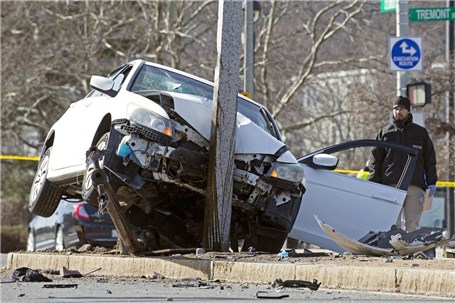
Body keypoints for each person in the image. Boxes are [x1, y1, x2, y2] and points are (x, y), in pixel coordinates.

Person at [369, 96, 438, 232]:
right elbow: (375, 160)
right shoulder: (385, 133)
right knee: (391, 225)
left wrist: (431, 182)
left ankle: (410, 250)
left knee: (413, 226)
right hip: (390, 186)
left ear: (408, 111)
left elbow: (430, 159)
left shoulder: (420, 132)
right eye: (395, 109)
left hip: (414, 186)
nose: (397, 112)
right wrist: (373, 182)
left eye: (401, 109)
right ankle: (392, 251)